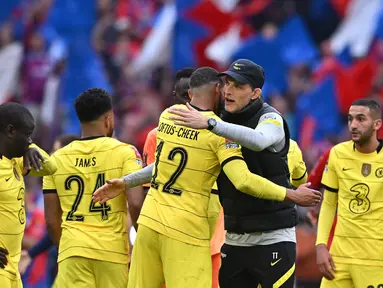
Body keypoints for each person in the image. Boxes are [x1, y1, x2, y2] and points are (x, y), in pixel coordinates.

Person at [93, 67, 321, 288]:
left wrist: (125, 182)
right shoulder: (220, 134)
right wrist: (292, 194)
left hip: (150, 224)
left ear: (190, 94)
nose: (228, 92)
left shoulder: (168, 117)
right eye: (227, 86)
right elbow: (242, 180)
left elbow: (162, 167)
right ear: (218, 92)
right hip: (186, 229)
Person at [167, 59, 304, 287]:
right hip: (234, 240)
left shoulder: (270, 118)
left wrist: (211, 123)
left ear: (255, 93)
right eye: (227, 83)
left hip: (273, 238)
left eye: (238, 86)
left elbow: (259, 141)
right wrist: (126, 181)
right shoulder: (219, 120)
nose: (228, 91)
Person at [42, 88, 145, 288]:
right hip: (112, 253)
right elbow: (135, 202)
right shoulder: (125, 153)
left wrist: (67, 248)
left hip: (73, 251)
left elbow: (51, 221)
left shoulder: (57, 159)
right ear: (108, 118)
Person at [142, 67, 224, 288]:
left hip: (214, 232)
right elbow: (148, 187)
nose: (185, 107)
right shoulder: (156, 134)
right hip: (170, 227)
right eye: (181, 97)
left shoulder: (218, 132)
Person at [316, 99, 383, 287]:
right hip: (339, 258)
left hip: (375, 260)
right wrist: (321, 245)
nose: (353, 125)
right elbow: (329, 203)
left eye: (361, 119)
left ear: (377, 124)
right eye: (350, 119)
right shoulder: (337, 154)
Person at [0, 102, 57, 288]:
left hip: (13, 267)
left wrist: (30, 146)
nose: (29, 140)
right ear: (10, 131)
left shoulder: (17, 161)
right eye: (27, 134)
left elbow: (50, 167)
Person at [18, 134, 80, 286]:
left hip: (73, 256)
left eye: (55, 151)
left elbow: (53, 224)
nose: (51, 156)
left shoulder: (68, 187)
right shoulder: (55, 185)